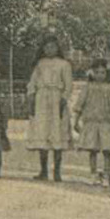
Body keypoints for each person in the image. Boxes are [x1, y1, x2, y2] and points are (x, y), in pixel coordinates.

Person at [25, 37, 77, 181]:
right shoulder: (40, 64)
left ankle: (57, 171)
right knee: (43, 132)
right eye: (47, 47)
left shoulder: (64, 64)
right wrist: (31, 98)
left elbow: (68, 85)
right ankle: (43, 170)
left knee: (57, 132)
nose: (50, 50)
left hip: (56, 100)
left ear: (58, 48)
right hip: (42, 100)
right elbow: (32, 83)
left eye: (53, 47)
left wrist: (64, 99)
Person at [75, 57, 110, 186]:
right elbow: (80, 104)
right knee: (93, 150)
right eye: (97, 72)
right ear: (92, 73)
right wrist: (76, 120)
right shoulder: (88, 87)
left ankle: (106, 174)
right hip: (92, 121)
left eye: (103, 72)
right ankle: (93, 174)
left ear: (107, 74)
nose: (100, 75)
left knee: (107, 150)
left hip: (107, 122)